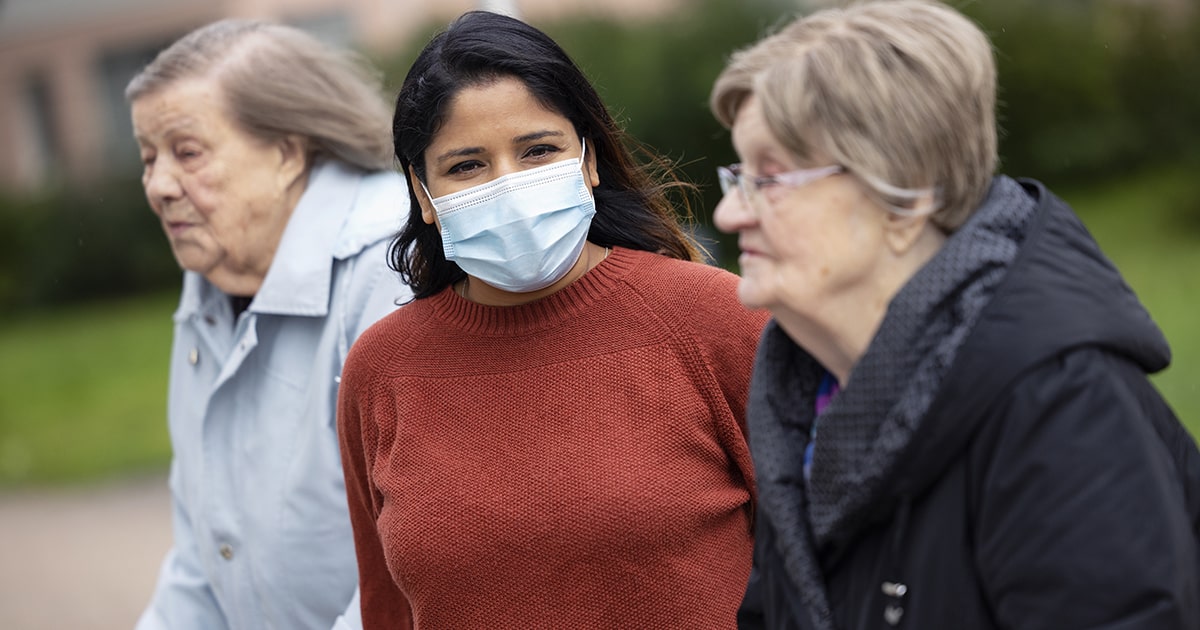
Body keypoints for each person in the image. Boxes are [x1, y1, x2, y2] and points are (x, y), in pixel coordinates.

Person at [707, 1, 1200, 629]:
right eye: (738, 176)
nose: (729, 214)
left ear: (904, 196)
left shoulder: (1057, 402)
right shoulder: (805, 395)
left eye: (772, 179)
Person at [336, 10, 769, 629]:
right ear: (423, 193)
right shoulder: (382, 370)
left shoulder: (715, 319)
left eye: (538, 151)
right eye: (467, 165)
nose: (509, 186)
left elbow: (823, 563)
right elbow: (386, 610)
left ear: (589, 161)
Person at [127, 19, 411, 630]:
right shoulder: (213, 276)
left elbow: (414, 568)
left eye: (186, 152)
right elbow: (203, 559)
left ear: (286, 153)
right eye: (148, 158)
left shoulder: (391, 265)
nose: (158, 186)